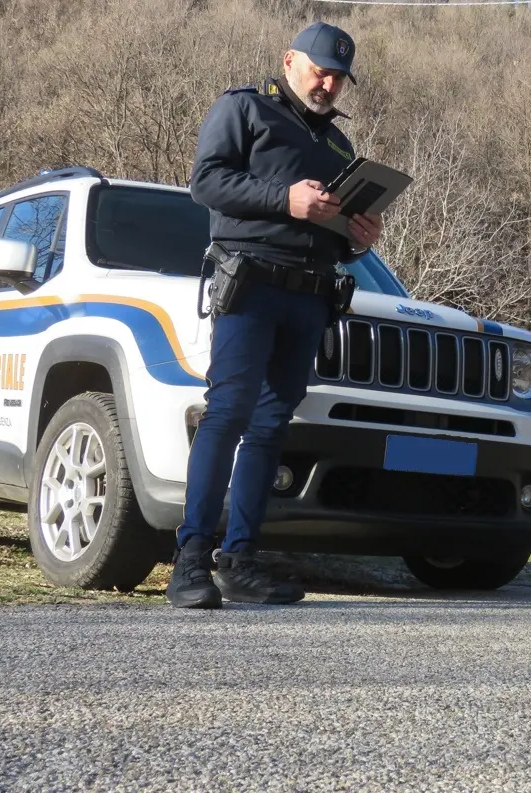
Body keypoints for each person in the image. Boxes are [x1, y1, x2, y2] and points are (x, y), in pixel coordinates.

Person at [166, 21, 383, 609]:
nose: (329, 84)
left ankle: (240, 562)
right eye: (320, 71)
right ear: (290, 60)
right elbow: (205, 183)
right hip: (251, 284)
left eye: (339, 78)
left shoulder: (340, 148)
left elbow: (337, 238)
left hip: (311, 295)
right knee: (228, 414)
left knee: (270, 426)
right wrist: (285, 200)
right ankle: (190, 563)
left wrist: (359, 236)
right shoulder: (245, 109)